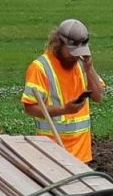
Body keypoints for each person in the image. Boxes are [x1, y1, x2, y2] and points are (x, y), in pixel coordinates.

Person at [22, 19, 106, 165]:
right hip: (52, 155)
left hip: (82, 155)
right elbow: (30, 108)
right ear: (58, 43)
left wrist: (89, 68)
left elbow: (98, 97)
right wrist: (64, 110)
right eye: (71, 52)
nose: (75, 56)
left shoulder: (82, 63)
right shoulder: (40, 68)